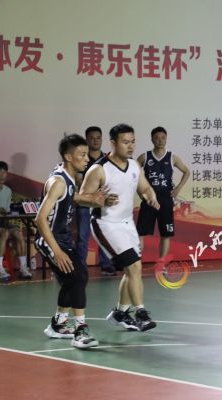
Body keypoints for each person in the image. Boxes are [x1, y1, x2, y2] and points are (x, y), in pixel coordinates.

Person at [35, 134, 114, 348]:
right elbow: (40, 219)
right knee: (79, 276)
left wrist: (93, 200)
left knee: (73, 279)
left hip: (62, 239)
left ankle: (59, 324)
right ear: (69, 157)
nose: (87, 159)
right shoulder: (58, 182)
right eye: (82, 155)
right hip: (51, 241)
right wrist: (57, 251)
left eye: (87, 154)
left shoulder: (67, 178)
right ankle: (80, 331)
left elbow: (72, 197)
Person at [80, 123, 160, 332]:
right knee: (133, 266)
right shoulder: (99, 169)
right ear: (113, 143)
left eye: (133, 142)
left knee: (133, 268)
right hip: (105, 224)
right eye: (125, 142)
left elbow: (144, 187)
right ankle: (140, 312)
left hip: (127, 223)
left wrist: (150, 196)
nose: (130, 146)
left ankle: (120, 312)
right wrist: (99, 200)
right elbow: (80, 198)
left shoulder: (134, 166)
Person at [136, 126, 190, 260]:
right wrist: (140, 192)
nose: (160, 140)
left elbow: (187, 171)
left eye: (163, 138)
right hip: (149, 200)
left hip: (166, 200)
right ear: (152, 139)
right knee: (140, 233)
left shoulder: (172, 157)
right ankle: (136, 263)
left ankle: (161, 264)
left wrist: (178, 189)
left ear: (166, 139)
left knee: (166, 234)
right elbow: (133, 174)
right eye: (157, 138)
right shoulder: (144, 157)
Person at [75, 126, 115, 275]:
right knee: (82, 236)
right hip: (85, 202)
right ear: (86, 139)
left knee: (104, 235)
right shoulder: (82, 158)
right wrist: (92, 194)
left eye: (98, 138)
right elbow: (78, 179)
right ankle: (81, 267)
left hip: (103, 203)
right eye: (92, 138)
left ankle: (106, 265)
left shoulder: (108, 158)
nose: (95, 141)